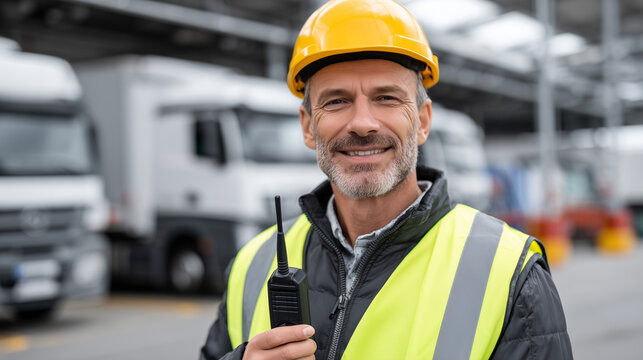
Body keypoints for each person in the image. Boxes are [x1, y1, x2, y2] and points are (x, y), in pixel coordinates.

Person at [200, 0, 573, 359]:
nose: (363, 123)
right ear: (308, 126)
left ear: (423, 121)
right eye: (336, 101)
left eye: (387, 98)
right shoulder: (252, 265)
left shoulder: (509, 273)